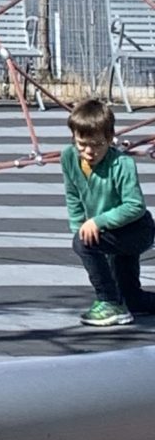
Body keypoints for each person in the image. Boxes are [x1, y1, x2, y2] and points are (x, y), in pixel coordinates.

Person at [61, 97, 154, 327]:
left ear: (111, 138)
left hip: (135, 229)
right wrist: (80, 227)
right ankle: (126, 301)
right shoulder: (69, 157)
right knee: (132, 297)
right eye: (82, 144)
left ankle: (109, 302)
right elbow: (73, 195)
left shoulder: (122, 164)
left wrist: (96, 223)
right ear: (73, 137)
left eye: (97, 144)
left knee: (83, 243)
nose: (89, 151)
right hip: (110, 229)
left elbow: (135, 206)